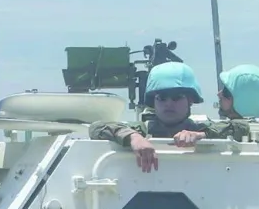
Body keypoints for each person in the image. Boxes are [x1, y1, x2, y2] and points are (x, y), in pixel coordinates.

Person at [89, 62, 249, 172]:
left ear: (190, 100)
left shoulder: (200, 129)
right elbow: (96, 128)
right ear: (153, 101)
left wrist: (202, 135)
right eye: (162, 98)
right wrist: (134, 138)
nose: (169, 104)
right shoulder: (142, 130)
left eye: (176, 97)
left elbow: (242, 127)